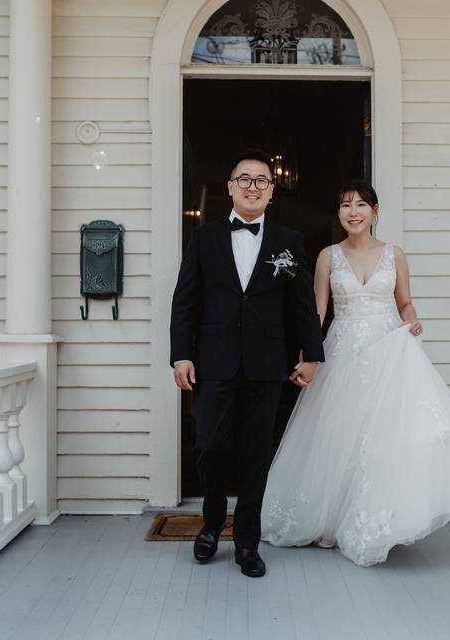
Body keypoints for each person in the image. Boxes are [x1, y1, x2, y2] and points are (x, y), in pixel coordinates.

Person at [261, 180, 450, 567]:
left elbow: (405, 302)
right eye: (346, 205)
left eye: (361, 205)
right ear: (339, 213)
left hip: (386, 352)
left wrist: (412, 321)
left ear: (375, 212)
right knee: (338, 436)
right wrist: (306, 356)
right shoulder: (329, 256)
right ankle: (329, 517)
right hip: (343, 354)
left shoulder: (395, 255)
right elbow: (317, 313)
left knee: (382, 438)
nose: (353, 212)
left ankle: (376, 520)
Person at [170, 149, 324, 578]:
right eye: (245, 179)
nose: (253, 186)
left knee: (257, 455)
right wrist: (181, 353)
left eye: (262, 180)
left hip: (266, 366)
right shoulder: (204, 239)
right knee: (211, 448)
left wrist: (311, 356)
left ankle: (247, 543)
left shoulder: (289, 242)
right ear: (230, 187)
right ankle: (212, 523)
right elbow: (185, 301)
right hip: (212, 363)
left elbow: (302, 308)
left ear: (271, 192)